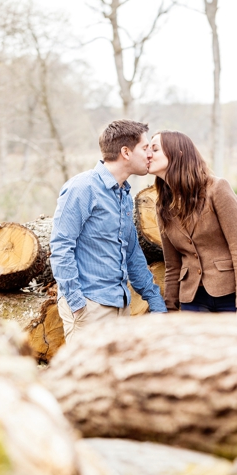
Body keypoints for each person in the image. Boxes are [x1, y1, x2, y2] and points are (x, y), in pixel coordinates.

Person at [50, 119, 167, 342]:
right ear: (126, 152)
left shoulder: (123, 194)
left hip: (120, 307)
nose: (149, 155)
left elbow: (132, 253)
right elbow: (60, 247)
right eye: (144, 148)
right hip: (89, 306)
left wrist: (155, 301)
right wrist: (76, 303)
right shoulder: (83, 188)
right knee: (86, 376)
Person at [148, 130, 237, 312]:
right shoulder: (162, 206)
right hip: (193, 299)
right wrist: (171, 309)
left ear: (178, 153)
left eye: (155, 149)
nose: (148, 154)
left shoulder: (217, 189)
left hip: (231, 295)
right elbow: (173, 265)